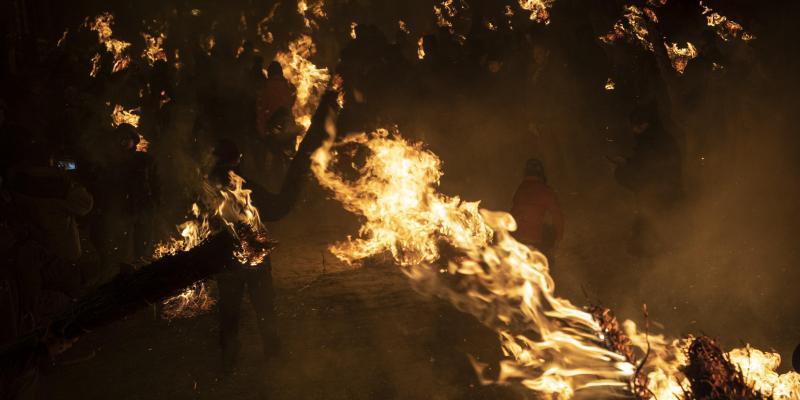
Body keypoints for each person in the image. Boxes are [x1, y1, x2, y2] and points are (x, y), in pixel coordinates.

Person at [212, 91, 338, 372]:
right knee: (261, 306)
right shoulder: (242, 186)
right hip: (248, 258)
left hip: (230, 260)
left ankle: (232, 357)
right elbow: (278, 208)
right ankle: (267, 352)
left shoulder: (217, 188)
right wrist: (295, 184)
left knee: (232, 309)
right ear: (236, 160)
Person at [612, 104, 683, 258]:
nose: (633, 130)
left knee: (654, 232)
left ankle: (661, 262)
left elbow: (645, 172)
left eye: (635, 126)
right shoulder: (658, 139)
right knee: (657, 231)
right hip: (665, 194)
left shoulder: (651, 142)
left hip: (657, 196)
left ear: (645, 124)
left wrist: (623, 171)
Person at [510, 158, 564, 262]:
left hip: (518, 241)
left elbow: (513, 214)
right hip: (536, 242)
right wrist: (558, 240)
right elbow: (558, 217)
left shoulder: (520, 190)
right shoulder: (545, 190)